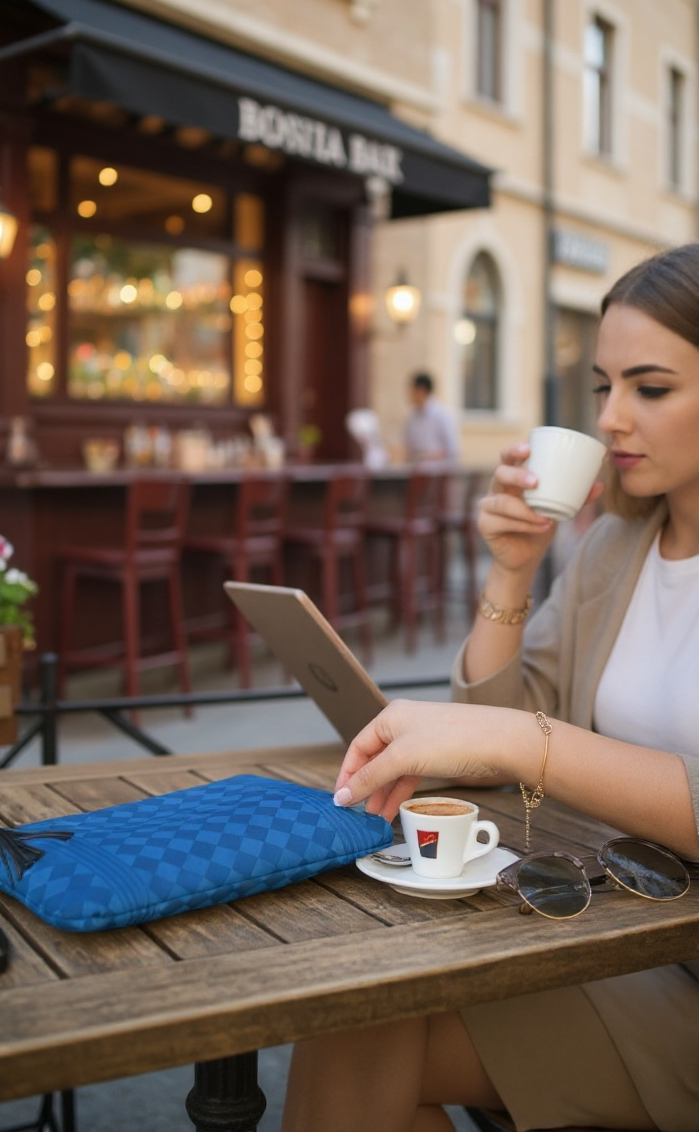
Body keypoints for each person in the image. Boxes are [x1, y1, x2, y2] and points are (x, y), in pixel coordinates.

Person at [282, 243, 699, 1132]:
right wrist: (511, 575)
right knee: (351, 1014)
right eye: (602, 387)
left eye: (650, 388)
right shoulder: (615, 549)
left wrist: (522, 745)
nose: (612, 419)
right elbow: (492, 736)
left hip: (679, 964)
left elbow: (514, 743)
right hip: (599, 926)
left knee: (362, 1031)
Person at [405, 371, 460, 462]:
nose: (409, 394)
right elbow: (408, 446)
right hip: (417, 473)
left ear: (421, 390)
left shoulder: (442, 415)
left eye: (412, 390)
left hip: (439, 473)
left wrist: (429, 455)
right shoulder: (412, 418)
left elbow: (452, 449)